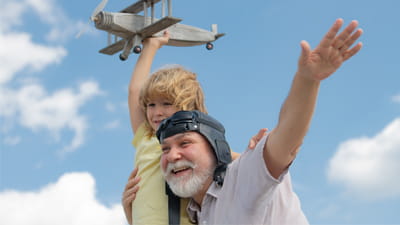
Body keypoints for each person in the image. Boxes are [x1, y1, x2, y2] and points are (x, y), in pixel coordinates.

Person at [124, 18, 363, 224]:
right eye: (165, 148)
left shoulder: (244, 180)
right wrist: (131, 214)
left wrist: (308, 81)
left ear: (213, 144)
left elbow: (286, 139)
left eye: (185, 143)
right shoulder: (198, 211)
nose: (172, 154)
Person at [125, 30, 242, 225]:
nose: (157, 112)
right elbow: (134, 92)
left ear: (188, 108)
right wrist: (151, 46)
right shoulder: (146, 137)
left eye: (166, 104)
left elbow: (234, 158)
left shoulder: (195, 143)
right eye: (151, 105)